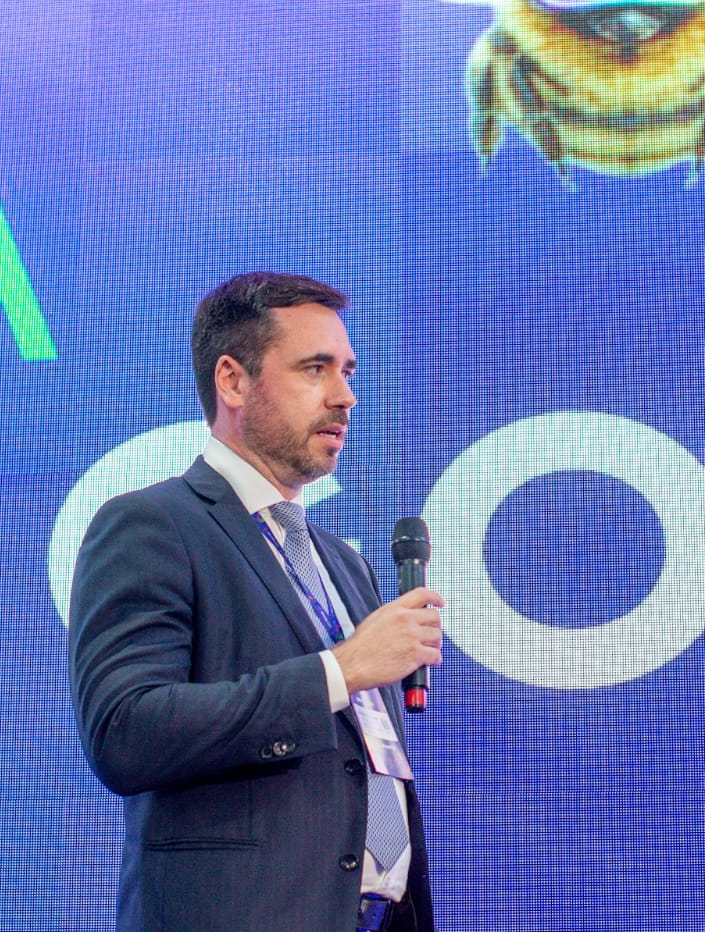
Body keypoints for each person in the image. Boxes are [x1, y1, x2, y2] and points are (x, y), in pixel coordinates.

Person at [69, 272, 445, 932]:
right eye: (315, 369)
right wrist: (341, 670)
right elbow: (126, 732)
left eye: (347, 371)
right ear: (233, 381)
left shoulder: (344, 563)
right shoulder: (153, 525)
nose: (345, 396)